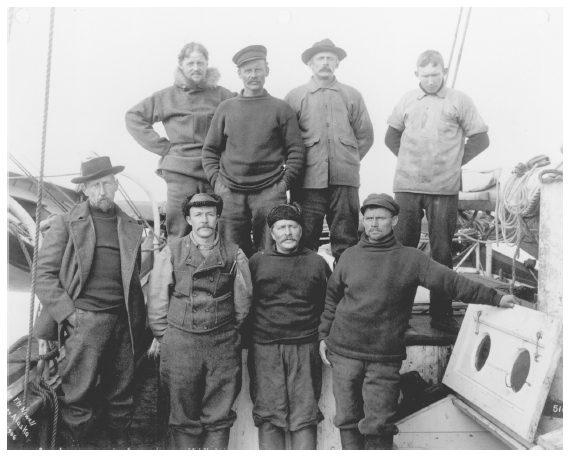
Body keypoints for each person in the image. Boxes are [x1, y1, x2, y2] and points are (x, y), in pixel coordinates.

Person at [318, 193, 520, 450]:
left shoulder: (412, 259)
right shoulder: (348, 256)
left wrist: (495, 298)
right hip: (344, 353)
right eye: (368, 219)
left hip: (383, 358)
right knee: (347, 420)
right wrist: (324, 335)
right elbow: (331, 299)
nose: (374, 224)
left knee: (379, 425)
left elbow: (452, 283)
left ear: (395, 220)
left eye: (380, 218)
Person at [34, 156, 147, 449]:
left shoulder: (131, 226)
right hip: (85, 321)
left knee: (122, 395)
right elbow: (43, 275)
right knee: (77, 395)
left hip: (124, 323)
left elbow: (133, 280)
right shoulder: (66, 223)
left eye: (106, 184)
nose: (101, 191)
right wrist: (69, 315)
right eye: (94, 185)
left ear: (116, 185)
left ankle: (119, 447)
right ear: (84, 190)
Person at [385, 50, 490, 335]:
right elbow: (390, 136)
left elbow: (481, 139)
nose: (430, 81)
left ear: (443, 71)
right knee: (403, 251)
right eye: (424, 75)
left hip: (443, 189)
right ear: (416, 74)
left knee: (441, 252)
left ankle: (441, 316)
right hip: (407, 187)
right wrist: (410, 161)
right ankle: (399, 316)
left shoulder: (459, 100)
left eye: (435, 74)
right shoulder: (407, 99)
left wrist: (454, 162)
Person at [147, 193, 252, 450]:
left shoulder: (234, 254)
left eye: (209, 214)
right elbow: (158, 300)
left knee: (219, 417)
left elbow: (243, 302)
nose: (204, 220)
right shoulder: (170, 253)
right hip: (181, 344)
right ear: (188, 219)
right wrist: (167, 337)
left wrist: (228, 332)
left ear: (217, 218)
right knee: (183, 417)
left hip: (222, 345)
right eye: (198, 215)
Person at [202, 45, 305, 258]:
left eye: (258, 69)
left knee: (269, 251)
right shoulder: (226, 108)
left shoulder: (280, 108)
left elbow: (296, 150)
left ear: (267, 70)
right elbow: (210, 149)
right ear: (240, 74)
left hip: (269, 191)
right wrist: (217, 183)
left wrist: (283, 184)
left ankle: (266, 291)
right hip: (230, 191)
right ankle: (236, 292)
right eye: (248, 71)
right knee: (230, 252)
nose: (253, 75)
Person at [125, 42, 235, 240]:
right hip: (179, 173)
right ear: (181, 65)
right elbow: (134, 117)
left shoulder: (223, 95)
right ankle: (176, 269)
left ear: (207, 64)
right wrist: (164, 148)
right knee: (179, 228)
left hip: (214, 172)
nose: (196, 68)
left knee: (218, 226)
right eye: (190, 63)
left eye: (200, 63)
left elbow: (244, 118)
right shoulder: (166, 96)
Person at [247, 203, 331, 450]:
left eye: (293, 226)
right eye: (281, 227)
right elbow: (245, 303)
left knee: (304, 413)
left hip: (305, 346)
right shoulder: (256, 262)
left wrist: (323, 336)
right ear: (272, 233)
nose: (287, 232)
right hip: (265, 348)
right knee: (268, 411)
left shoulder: (317, 263)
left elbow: (329, 304)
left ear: (301, 231)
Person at [284, 39, 374, 262]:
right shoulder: (295, 97)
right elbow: (285, 140)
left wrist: (347, 159)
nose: (325, 63)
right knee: (304, 240)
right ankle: (305, 294)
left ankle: (344, 294)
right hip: (307, 184)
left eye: (330, 59)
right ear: (310, 64)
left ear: (337, 64)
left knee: (346, 241)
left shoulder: (352, 95)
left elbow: (365, 136)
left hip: (345, 183)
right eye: (320, 59)